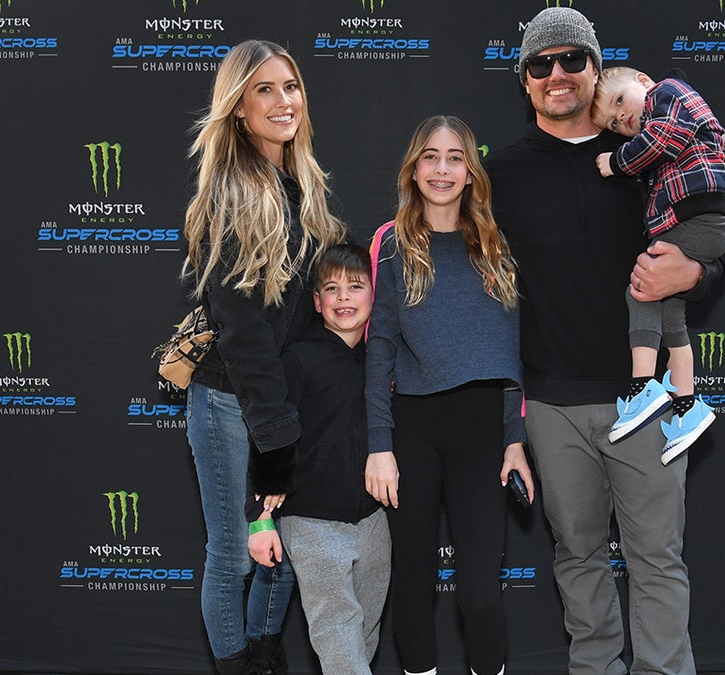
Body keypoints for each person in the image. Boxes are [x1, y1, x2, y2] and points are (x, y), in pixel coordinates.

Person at [483, 7, 724, 674]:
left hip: (645, 400)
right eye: (541, 64)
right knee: (578, 557)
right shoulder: (499, 175)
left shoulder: (651, 153)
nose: (557, 74)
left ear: (597, 69)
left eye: (573, 59)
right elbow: (476, 289)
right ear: (525, 79)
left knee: (657, 559)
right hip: (551, 404)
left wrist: (698, 271)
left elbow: (708, 227)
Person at [181, 39, 345, 675]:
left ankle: (263, 657)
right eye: (265, 89)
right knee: (234, 556)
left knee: (284, 551)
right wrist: (276, 436)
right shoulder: (231, 194)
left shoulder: (300, 187)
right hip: (230, 402)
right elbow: (244, 329)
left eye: (291, 86)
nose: (284, 101)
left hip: (280, 402)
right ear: (238, 107)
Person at [364, 115, 534, 675]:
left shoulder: (495, 243)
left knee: (481, 595)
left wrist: (514, 439)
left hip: (482, 429)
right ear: (414, 169)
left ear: (470, 171)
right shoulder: (391, 243)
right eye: (431, 157)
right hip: (411, 427)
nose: (442, 169)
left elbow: (510, 351)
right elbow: (380, 347)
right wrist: (379, 445)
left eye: (455, 158)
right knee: (412, 585)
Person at [251, 243, 391, 675]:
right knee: (337, 631)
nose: (344, 297)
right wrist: (260, 519)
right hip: (311, 521)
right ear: (317, 302)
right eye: (332, 288)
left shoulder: (382, 361)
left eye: (355, 286)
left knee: (364, 634)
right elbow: (269, 436)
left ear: (374, 294)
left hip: (374, 521)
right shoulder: (298, 359)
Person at [591, 65, 725, 462]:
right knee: (670, 312)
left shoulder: (667, 93)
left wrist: (615, 162)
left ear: (642, 81)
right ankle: (688, 407)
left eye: (619, 101)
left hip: (700, 217)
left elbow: (662, 140)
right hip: (701, 219)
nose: (622, 118)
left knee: (641, 289)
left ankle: (643, 387)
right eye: (613, 122)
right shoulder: (659, 119)